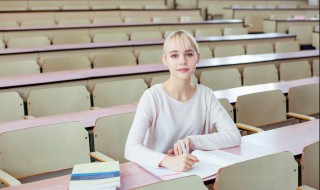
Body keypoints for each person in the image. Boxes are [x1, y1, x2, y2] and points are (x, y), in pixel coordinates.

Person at [125, 30, 241, 172]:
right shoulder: (152, 97)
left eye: (189, 54)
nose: (182, 61)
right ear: (165, 60)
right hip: (159, 172)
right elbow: (131, 148)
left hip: (196, 170)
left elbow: (233, 135)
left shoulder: (206, 95)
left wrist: (193, 142)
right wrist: (167, 161)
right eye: (174, 55)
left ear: (197, 57)